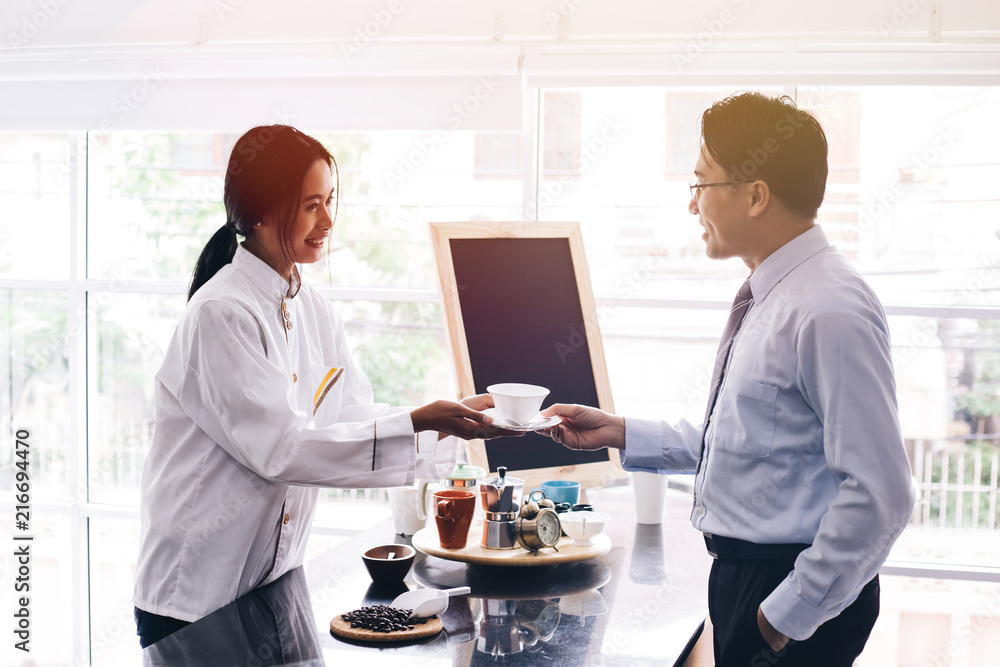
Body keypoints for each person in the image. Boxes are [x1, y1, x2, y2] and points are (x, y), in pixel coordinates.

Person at [541, 92, 915, 666]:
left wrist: (783, 617)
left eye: (701, 185)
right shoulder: (775, 295)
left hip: (789, 595)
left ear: (756, 195)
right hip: (749, 583)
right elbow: (751, 444)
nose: (693, 206)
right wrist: (617, 431)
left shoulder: (828, 309)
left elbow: (882, 494)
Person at [133, 125, 515, 648]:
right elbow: (281, 450)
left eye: (329, 201)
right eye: (312, 205)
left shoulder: (312, 308)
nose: (329, 222)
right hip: (196, 599)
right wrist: (419, 422)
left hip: (276, 580)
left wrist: (447, 423)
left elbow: (349, 416)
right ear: (262, 211)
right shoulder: (221, 314)